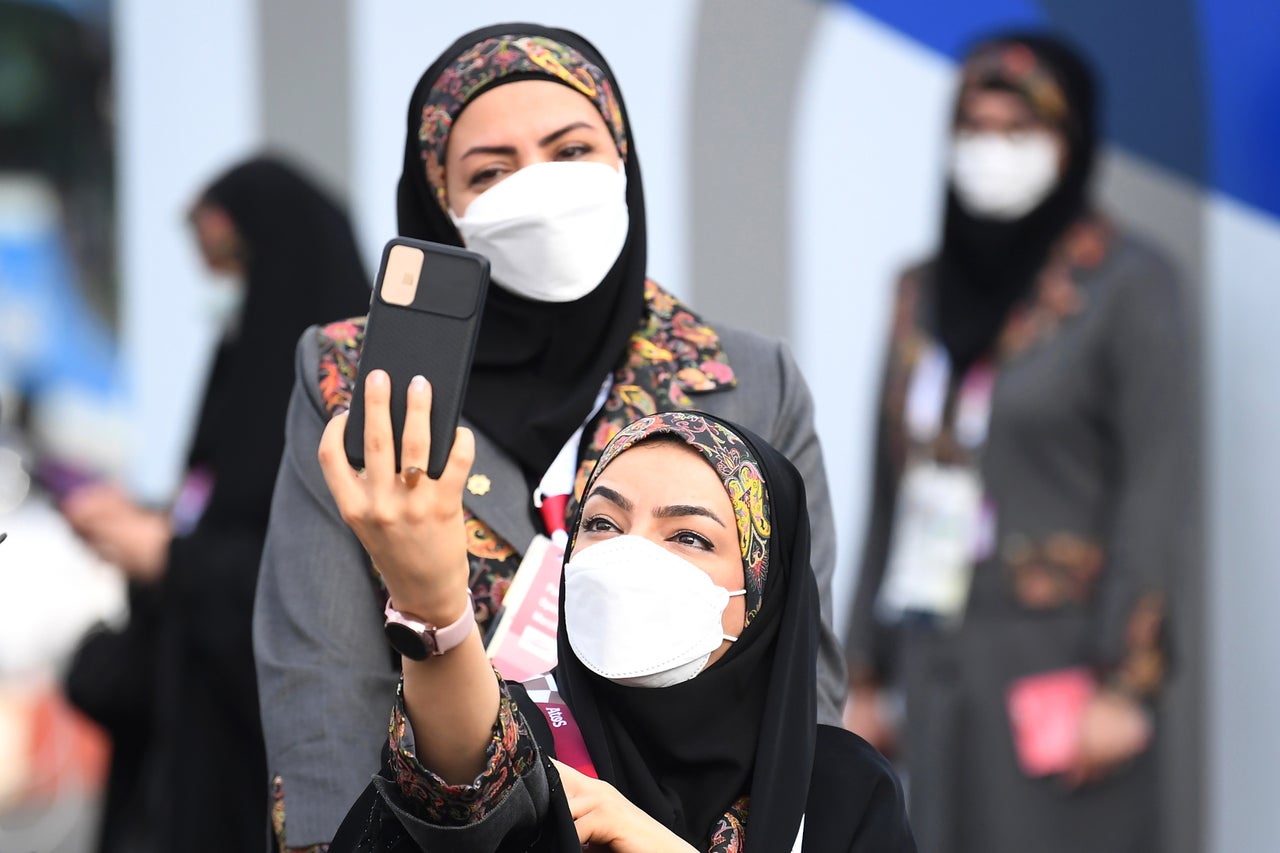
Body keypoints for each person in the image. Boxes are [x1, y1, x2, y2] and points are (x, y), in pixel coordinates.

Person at [253, 23, 848, 851]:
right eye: (490, 171)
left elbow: (796, 674)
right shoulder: (358, 377)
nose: (539, 188)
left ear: (624, 163)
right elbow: (318, 666)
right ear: (441, 205)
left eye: (571, 150)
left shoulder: (748, 378)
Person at [842, 33, 1189, 853]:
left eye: (1018, 130)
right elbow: (888, 487)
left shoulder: (1130, 285)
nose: (989, 151)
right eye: (973, 127)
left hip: (1063, 670)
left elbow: (1155, 491)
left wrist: (1126, 686)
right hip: (935, 666)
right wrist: (862, 669)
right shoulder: (918, 293)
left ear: (1070, 145)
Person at [320, 395, 914, 852]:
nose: (630, 555)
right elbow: (460, 790)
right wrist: (433, 606)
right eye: (602, 524)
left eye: (687, 536)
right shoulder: (526, 738)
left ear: (762, 595)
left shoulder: (842, 792)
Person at [62, 156, 371, 852]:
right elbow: (220, 513)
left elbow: (305, 576)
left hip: (267, 773)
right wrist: (147, 523)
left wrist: (166, 555)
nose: (222, 292)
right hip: (185, 762)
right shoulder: (240, 376)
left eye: (233, 268)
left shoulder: (343, 404)